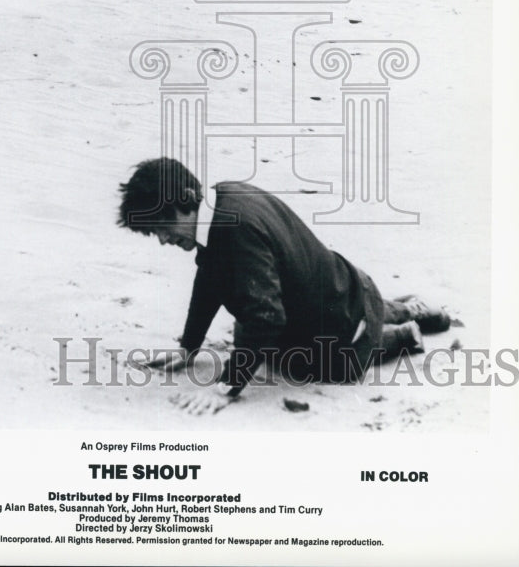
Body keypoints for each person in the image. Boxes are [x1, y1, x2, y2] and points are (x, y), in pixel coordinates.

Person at [118, 158, 451, 415]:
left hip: (337, 336)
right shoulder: (224, 197)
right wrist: (188, 347)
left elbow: (266, 317)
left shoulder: (234, 233)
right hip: (345, 283)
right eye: (154, 232)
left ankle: (400, 335)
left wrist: (224, 388)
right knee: (253, 334)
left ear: (188, 197)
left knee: (288, 359)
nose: (163, 239)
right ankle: (400, 308)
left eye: (164, 225)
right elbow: (210, 279)